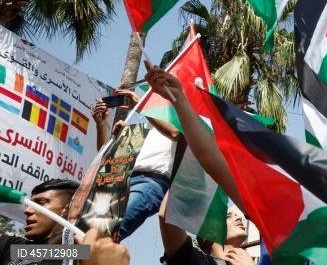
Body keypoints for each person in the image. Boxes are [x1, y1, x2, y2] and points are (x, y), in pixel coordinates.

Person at [93, 90, 179, 241]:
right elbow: (106, 161)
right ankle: (47, 255)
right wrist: (101, 124)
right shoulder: (142, 128)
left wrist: (142, 106)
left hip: (150, 183)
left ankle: (48, 255)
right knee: (89, 235)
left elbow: (174, 133)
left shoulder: (181, 121)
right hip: (121, 180)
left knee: (107, 235)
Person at [0, 179, 79, 265]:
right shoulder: (12, 246)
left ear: (68, 209)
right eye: (28, 205)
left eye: (40, 203)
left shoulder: (80, 256)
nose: (27, 210)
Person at [159, 193, 251, 265]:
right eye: (227, 217)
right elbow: (169, 216)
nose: (239, 218)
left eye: (236, 215)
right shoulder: (196, 261)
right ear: (209, 233)